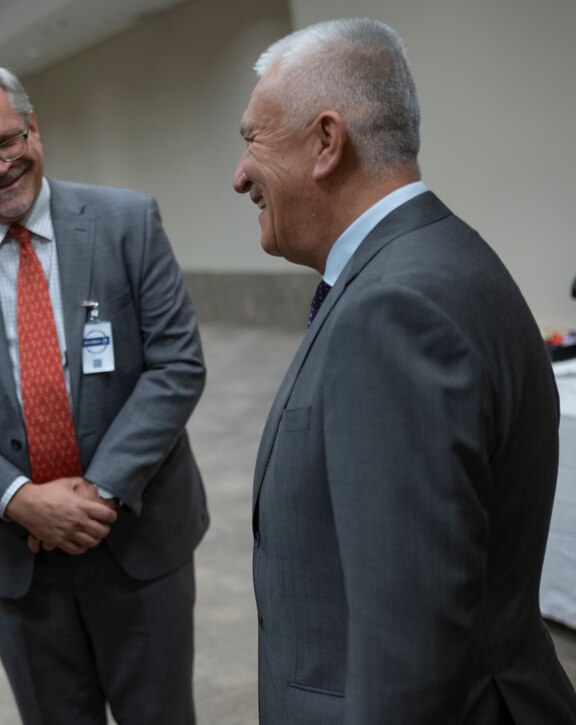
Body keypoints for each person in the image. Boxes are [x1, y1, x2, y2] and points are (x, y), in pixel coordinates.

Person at [234, 18, 576, 723]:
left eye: (252, 141)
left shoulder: (392, 307)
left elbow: (410, 642)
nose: (239, 175)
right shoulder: (443, 253)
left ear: (327, 142)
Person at [0, 63, 207, 724]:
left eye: (9, 140)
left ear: (35, 128)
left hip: (136, 535)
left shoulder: (127, 221)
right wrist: (21, 500)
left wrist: (96, 492)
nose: (0, 164)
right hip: (13, 556)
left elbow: (176, 363)